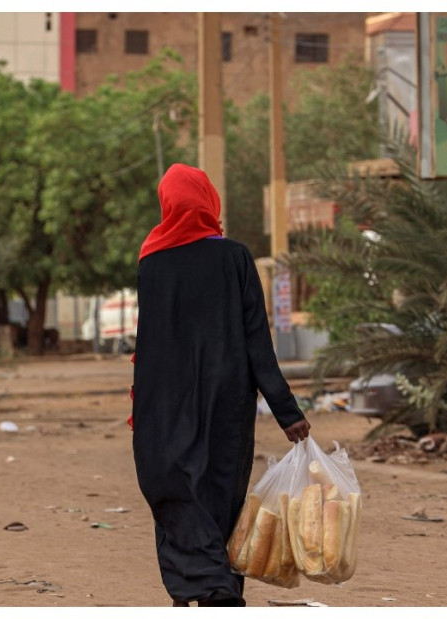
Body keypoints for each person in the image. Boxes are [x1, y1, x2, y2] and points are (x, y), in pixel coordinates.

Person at [131, 164, 310, 607]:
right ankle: (217, 589)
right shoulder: (234, 257)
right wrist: (287, 411)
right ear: (209, 201)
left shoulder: (152, 261)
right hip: (225, 402)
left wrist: (143, 410)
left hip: (165, 403)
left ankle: (197, 587)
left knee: (175, 490)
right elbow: (257, 341)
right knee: (219, 495)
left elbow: (148, 342)